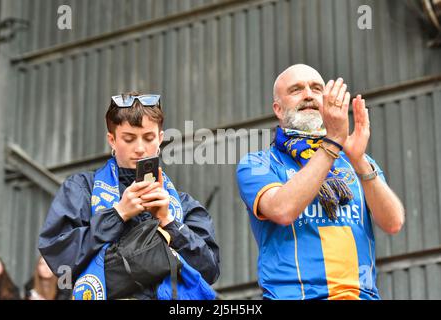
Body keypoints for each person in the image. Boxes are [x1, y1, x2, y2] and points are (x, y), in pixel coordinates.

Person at [236, 64, 405, 300]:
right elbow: (282, 210)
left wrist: (358, 161)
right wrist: (333, 142)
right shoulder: (257, 163)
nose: (308, 95)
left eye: (316, 88)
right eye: (296, 90)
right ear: (278, 108)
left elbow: (393, 222)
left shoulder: (355, 159)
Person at [38, 92, 220, 300]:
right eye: (129, 139)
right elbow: (60, 261)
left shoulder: (185, 205)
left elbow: (210, 271)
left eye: (149, 138)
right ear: (112, 140)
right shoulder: (81, 189)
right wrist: (117, 214)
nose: (140, 149)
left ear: (160, 139)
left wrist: (168, 221)